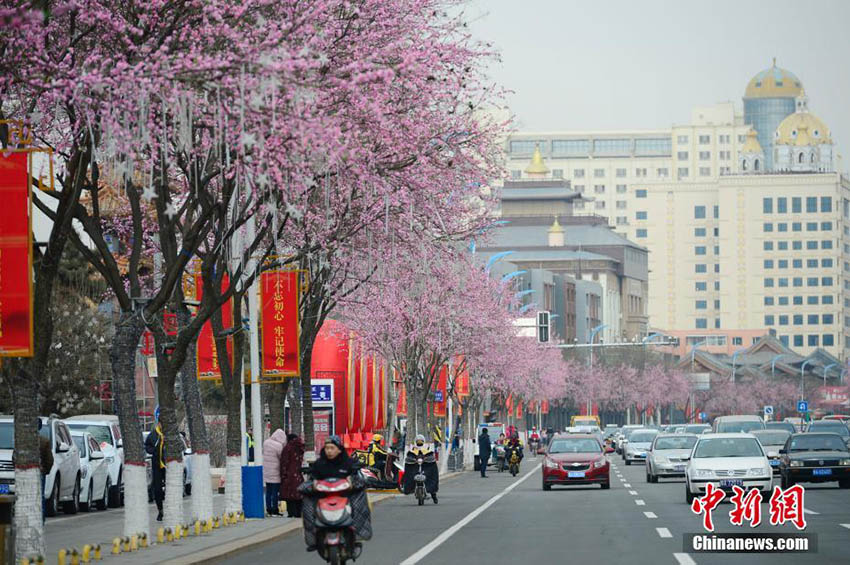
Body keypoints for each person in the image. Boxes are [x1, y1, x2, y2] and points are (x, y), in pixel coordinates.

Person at [302, 436, 371, 552]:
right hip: (324, 496)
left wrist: (353, 481)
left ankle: (358, 533)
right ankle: (313, 538)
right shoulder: (319, 464)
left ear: (339, 449)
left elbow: (356, 477)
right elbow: (313, 477)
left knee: (360, 500)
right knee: (308, 504)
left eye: (332, 448)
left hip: (345, 495)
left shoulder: (348, 463)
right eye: (327, 448)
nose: (329, 451)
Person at [403, 434, 439, 503]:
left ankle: (433, 495)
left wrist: (427, 459)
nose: (419, 443)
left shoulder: (427, 449)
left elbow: (431, 457)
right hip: (415, 467)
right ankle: (410, 489)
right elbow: (409, 457)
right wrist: (412, 460)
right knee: (409, 475)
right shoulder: (412, 450)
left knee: (431, 476)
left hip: (426, 467)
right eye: (418, 441)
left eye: (421, 441)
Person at [144, 414, 165, 522]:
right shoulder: (153, 435)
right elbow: (147, 445)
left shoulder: (170, 435)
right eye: (162, 423)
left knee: (171, 488)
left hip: (169, 466)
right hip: (157, 465)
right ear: (159, 423)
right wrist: (153, 451)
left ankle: (171, 509)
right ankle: (160, 510)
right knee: (157, 490)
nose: (163, 426)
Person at [262, 428, 287, 516]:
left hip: (267, 471)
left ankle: (268, 509)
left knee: (268, 491)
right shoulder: (278, 446)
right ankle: (275, 509)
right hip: (275, 471)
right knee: (275, 492)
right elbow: (281, 458)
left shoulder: (266, 443)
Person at [280, 433, 305, 518]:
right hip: (298, 474)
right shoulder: (300, 447)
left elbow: (284, 462)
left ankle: (291, 513)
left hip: (289, 475)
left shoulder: (288, 448)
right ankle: (298, 513)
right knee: (298, 494)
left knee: (289, 495)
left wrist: (283, 474)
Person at [38, 419, 53, 523]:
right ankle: (41, 518)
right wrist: (45, 471)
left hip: (24, 472)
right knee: (40, 496)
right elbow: (49, 460)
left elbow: (14, 457)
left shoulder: (22, 440)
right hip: (40, 472)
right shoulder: (44, 441)